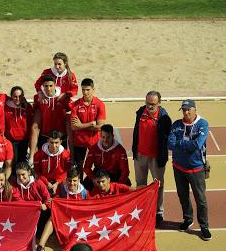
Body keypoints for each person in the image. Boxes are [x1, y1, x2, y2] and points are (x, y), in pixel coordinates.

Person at [168, 99, 211, 241]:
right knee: (183, 196)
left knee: (201, 200)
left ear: (194, 109)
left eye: (188, 110)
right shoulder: (176, 124)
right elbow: (170, 144)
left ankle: (204, 226)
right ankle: (188, 219)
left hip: (196, 168)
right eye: (184, 110)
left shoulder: (202, 124)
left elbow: (198, 144)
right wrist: (187, 144)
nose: (186, 113)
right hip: (178, 167)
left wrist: (180, 144)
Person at [132, 91, 172, 225]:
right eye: (148, 103)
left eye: (153, 104)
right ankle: (141, 209)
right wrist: (135, 150)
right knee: (140, 184)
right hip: (140, 155)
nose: (149, 107)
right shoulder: (140, 112)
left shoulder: (164, 118)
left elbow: (167, 139)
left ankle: (159, 212)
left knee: (158, 185)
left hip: (156, 157)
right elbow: (136, 131)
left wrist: (163, 156)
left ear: (159, 103)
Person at [35, 168, 89, 251]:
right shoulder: (62, 188)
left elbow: (88, 209)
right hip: (64, 217)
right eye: (69, 180)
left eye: (74, 181)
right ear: (66, 180)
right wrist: (52, 201)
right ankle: (40, 246)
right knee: (52, 218)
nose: (72, 183)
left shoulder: (84, 193)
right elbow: (56, 200)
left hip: (78, 220)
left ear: (79, 180)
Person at [28, 75, 72, 164]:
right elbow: (36, 119)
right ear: (42, 87)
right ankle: (31, 157)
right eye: (46, 86)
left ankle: (72, 158)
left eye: (51, 86)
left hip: (60, 138)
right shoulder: (38, 98)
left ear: (55, 85)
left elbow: (70, 111)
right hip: (44, 137)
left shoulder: (63, 97)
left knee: (61, 164)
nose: (48, 89)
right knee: (43, 163)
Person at [70, 78, 106, 170]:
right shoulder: (75, 105)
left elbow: (100, 126)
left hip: (94, 143)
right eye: (83, 90)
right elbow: (74, 127)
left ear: (93, 89)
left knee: (98, 167)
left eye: (88, 90)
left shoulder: (99, 104)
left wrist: (81, 126)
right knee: (78, 169)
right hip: (79, 143)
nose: (85, 92)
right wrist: (91, 124)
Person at [83, 124, 130, 191]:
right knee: (86, 184)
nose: (105, 140)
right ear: (100, 136)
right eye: (103, 137)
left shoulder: (120, 150)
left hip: (114, 174)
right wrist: (93, 179)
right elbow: (86, 167)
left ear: (112, 136)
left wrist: (118, 185)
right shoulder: (94, 148)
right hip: (99, 174)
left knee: (126, 185)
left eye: (108, 137)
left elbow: (125, 171)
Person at [34, 130, 71, 196]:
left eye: (56, 143)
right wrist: (47, 183)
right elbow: (37, 171)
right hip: (44, 181)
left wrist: (57, 183)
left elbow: (67, 171)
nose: (54, 145)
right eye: (51, 142)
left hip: (60, 181)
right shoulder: (39, 154)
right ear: (48, 141)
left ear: (61, 142)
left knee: (68, 183)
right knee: (35, 183)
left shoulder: (66, 154)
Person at [4, 86, 33, 168]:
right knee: (13, 161)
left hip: (24, 139)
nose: (17, 99)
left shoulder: (27, 107)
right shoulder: (6, 107)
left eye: (20, 96)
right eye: (15, 96)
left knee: (22, 161)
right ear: (11, 96)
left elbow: (31, 123)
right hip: (11, 140)